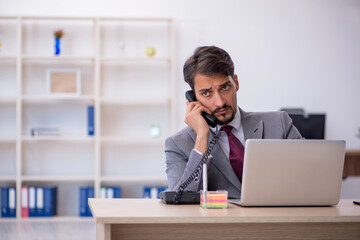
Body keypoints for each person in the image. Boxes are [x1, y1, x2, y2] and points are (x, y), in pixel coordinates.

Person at [165, 46, 302, 198]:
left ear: (236, 83)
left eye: (225, 87)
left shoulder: (279, 124)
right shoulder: (177, 145)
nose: (220, 102)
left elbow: (310, 176)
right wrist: (202, 137)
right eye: (206, 93)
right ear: (194, 98)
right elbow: (178, 200)